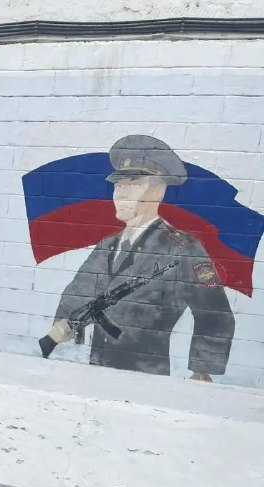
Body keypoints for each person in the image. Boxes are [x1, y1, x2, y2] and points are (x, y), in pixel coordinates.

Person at [47, 135, 235, 379]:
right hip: (96, 368)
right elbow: (81, 288)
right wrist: (63, 321)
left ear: (158, 191)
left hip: (147, 375)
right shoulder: (108, 244)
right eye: (118, 185)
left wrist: (203, 370)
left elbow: (215, 313)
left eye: (133, 185)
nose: (121, 193)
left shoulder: (181, 248)